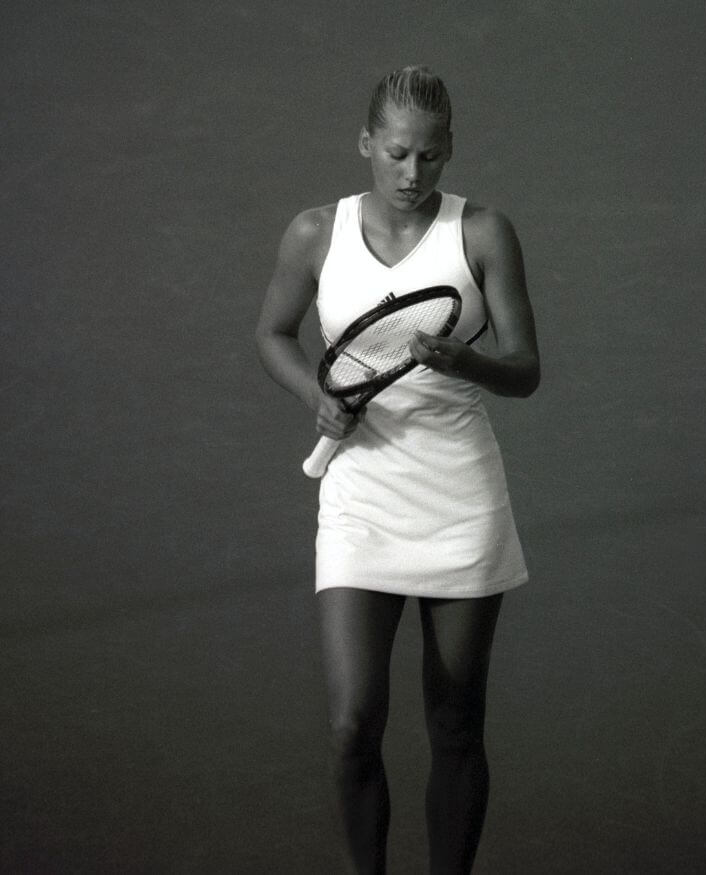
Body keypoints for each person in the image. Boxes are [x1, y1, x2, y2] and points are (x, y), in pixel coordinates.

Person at [256, 65, 539, 875]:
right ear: (366, 145)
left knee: (454, 724)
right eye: (397, 154)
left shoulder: (483, 233)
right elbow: (273, 333)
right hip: (359, 497)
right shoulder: (315, 232)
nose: (413, 174)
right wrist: (318, 394)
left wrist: (465, 362)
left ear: (449, 152)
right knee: (352, 723)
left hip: (460, 500)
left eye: (431, 157)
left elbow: (523, 368)